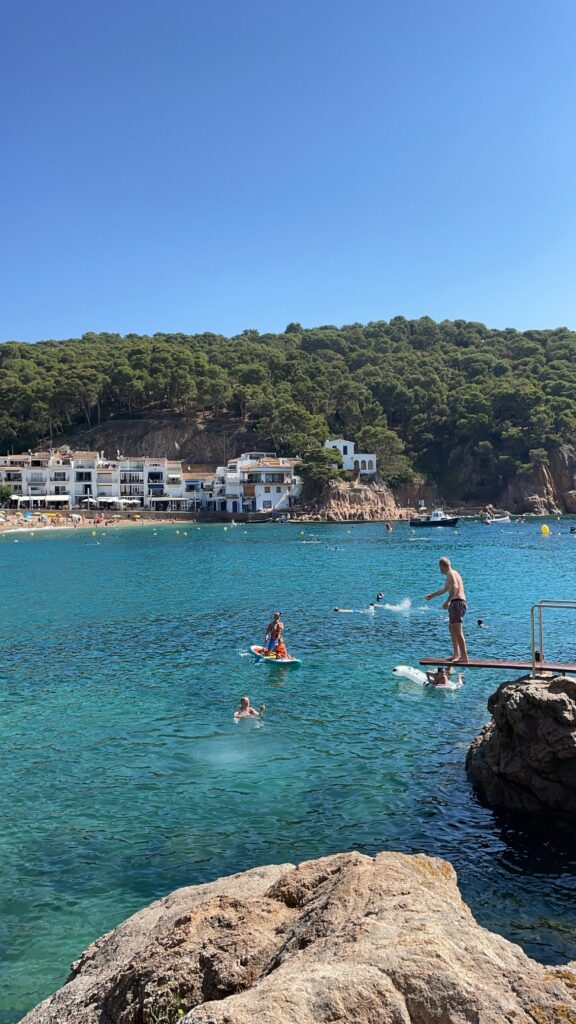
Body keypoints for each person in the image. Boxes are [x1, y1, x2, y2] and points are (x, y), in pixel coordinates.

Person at [425, 557, 468, 663]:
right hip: (458, 603)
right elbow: (445, 588)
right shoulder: (453, 573)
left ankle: (464, 656)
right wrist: (432, 595)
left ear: (442, 566)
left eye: (439, 567)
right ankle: (456, 654)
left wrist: (448, 601)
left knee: (457, 630)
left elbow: (455, 586)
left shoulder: (450, 573)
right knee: (452, 628)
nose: (439, 569)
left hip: (457, 602)